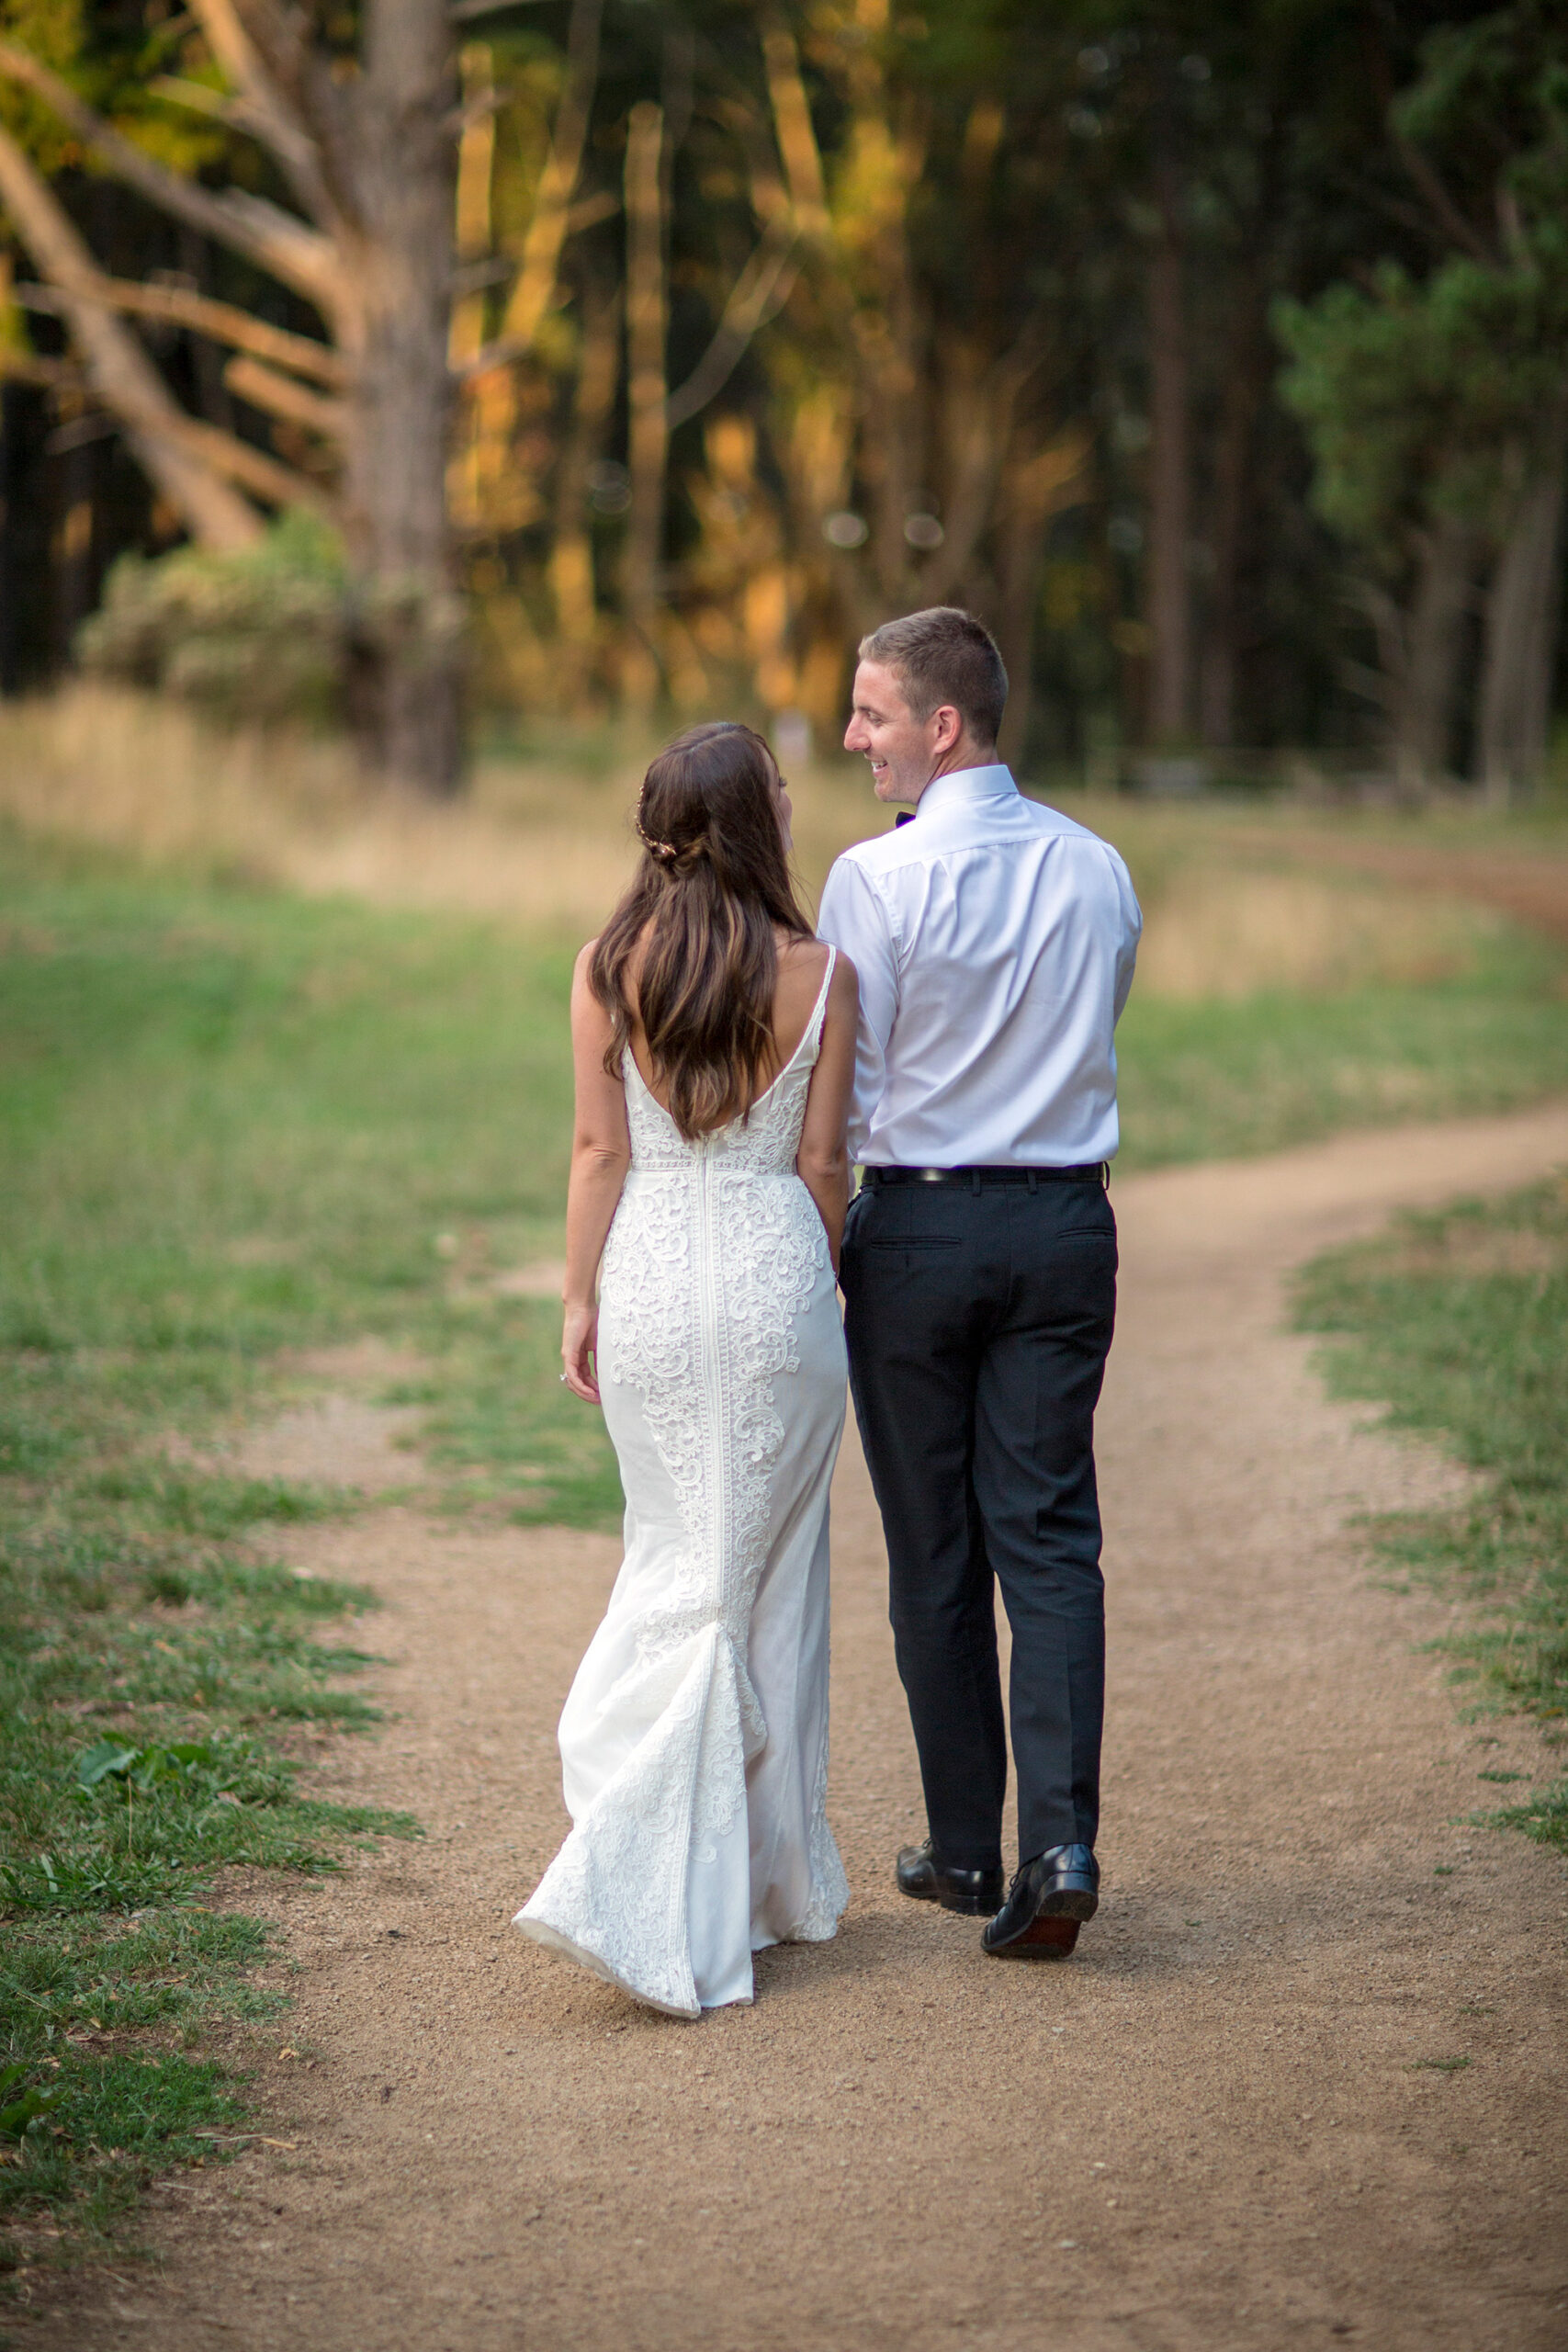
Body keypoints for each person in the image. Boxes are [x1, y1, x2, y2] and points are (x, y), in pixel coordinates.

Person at [514, 720, 861, 2018]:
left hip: (652, 1275)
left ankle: (716, 1875)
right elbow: (826, 1166)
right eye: (778, 787)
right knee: (767, 1583)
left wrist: (575, 1296)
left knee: (676, 1559)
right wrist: (817, 1275)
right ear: (756, 823)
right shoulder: (822, 969)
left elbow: (598, 1153)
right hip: (777, 1278)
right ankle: (748, 1888)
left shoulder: (608, 965)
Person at [818, 608, 1141, 1961]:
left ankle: (964, 1850)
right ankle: (1054, 1845)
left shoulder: (870, 880)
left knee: (935, 1543)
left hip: (924, 1229)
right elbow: (1101, 1017)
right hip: (1066, 1222)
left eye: (873, 714)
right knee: (1052, 1535)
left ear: (942, 725)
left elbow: (847, 1081)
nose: (854, 739)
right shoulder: (1099, 866)